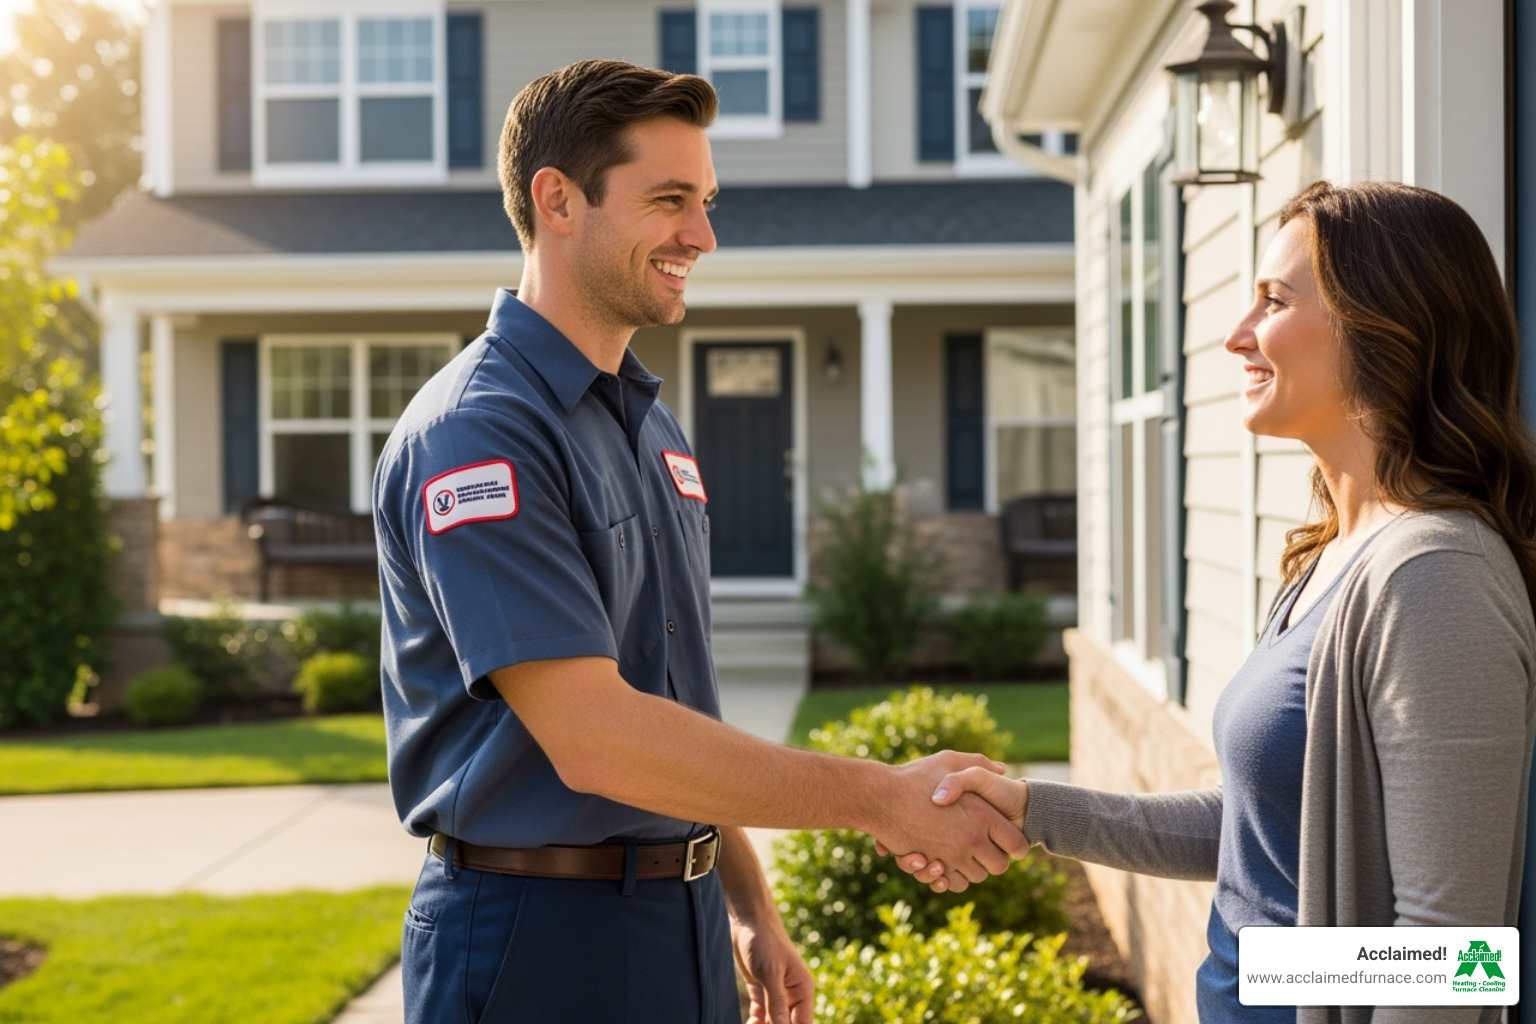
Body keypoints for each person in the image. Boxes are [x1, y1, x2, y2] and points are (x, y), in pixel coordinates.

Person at [372, 59, 1027, 1024]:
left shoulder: (648, 425)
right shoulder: (482, 432)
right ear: (557, 199)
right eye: (670, 200)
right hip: (533, 941)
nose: (703, 236)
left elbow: (675, 708)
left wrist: (748, 903)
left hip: (680, 923)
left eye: (706, 201)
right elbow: (598, 738)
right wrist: (879, 797)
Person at [893, 181, 1536, 1024]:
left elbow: (1453, 956)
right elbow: (1258, 832)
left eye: (1272, 301)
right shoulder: (1331, 556)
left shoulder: (1434, 575)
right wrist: (1035, 809)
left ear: (1386, 324)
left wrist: (1273, 977)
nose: (1238, 336)